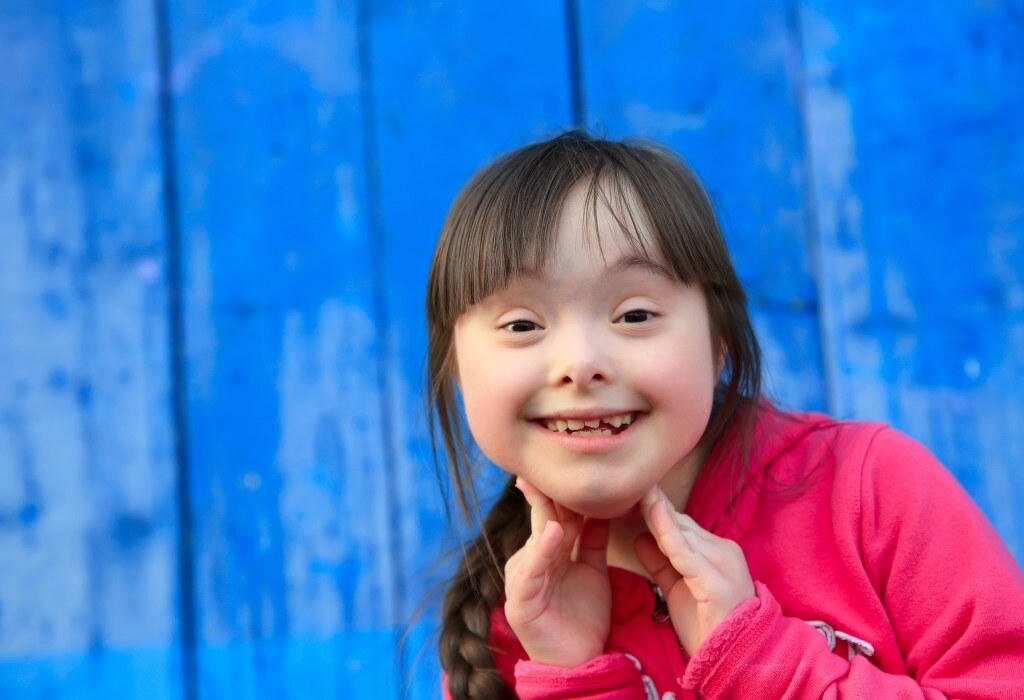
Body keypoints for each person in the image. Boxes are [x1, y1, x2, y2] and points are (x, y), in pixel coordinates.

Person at [426, 131, 1024, 699]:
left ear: (720, 342)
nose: (580, 365)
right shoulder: (510, 627)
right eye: (522, 325)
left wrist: (761, 662)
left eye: (635, 315)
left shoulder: (868, 491)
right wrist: (573, 677)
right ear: (455, 367)